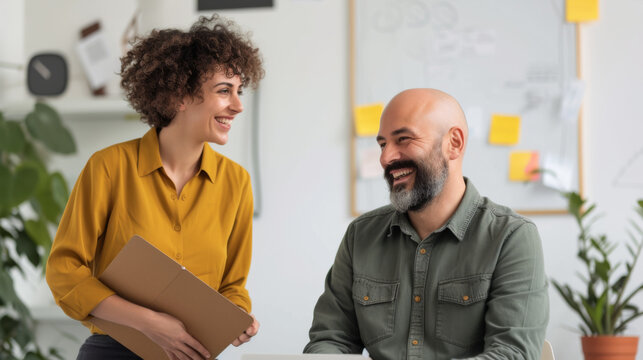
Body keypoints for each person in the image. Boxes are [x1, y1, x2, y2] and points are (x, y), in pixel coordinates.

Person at [46, 14, 264, 360]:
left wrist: (238, 318)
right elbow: (64, 272)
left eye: (239, 91)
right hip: (113, 352)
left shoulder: (236, 182)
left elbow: (233, 287)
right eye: (224, 91)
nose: (237, 106)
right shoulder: (109, 168)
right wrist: (149, 323)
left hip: (194, 354)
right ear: (179, 94)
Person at [304, 89, 549, 359]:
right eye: (383, 144)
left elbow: (512, 353)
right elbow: (329, 339)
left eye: (403, 139)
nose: (386, 158)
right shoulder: (360, 235)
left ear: (454, 143)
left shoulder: (511, 237)